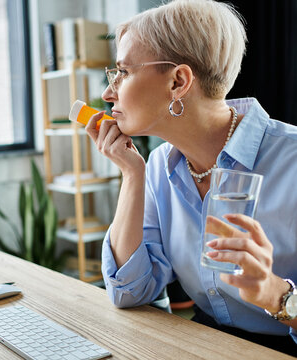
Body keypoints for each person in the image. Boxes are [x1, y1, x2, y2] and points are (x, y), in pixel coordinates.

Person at [85, 0, 297, 354]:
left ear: (178, 81)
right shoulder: (155, 167)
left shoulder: (291, 160)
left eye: (122, 72)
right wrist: (132, 175)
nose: (109, 93)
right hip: (205, 345)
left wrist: (274, 293)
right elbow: (129, 292)